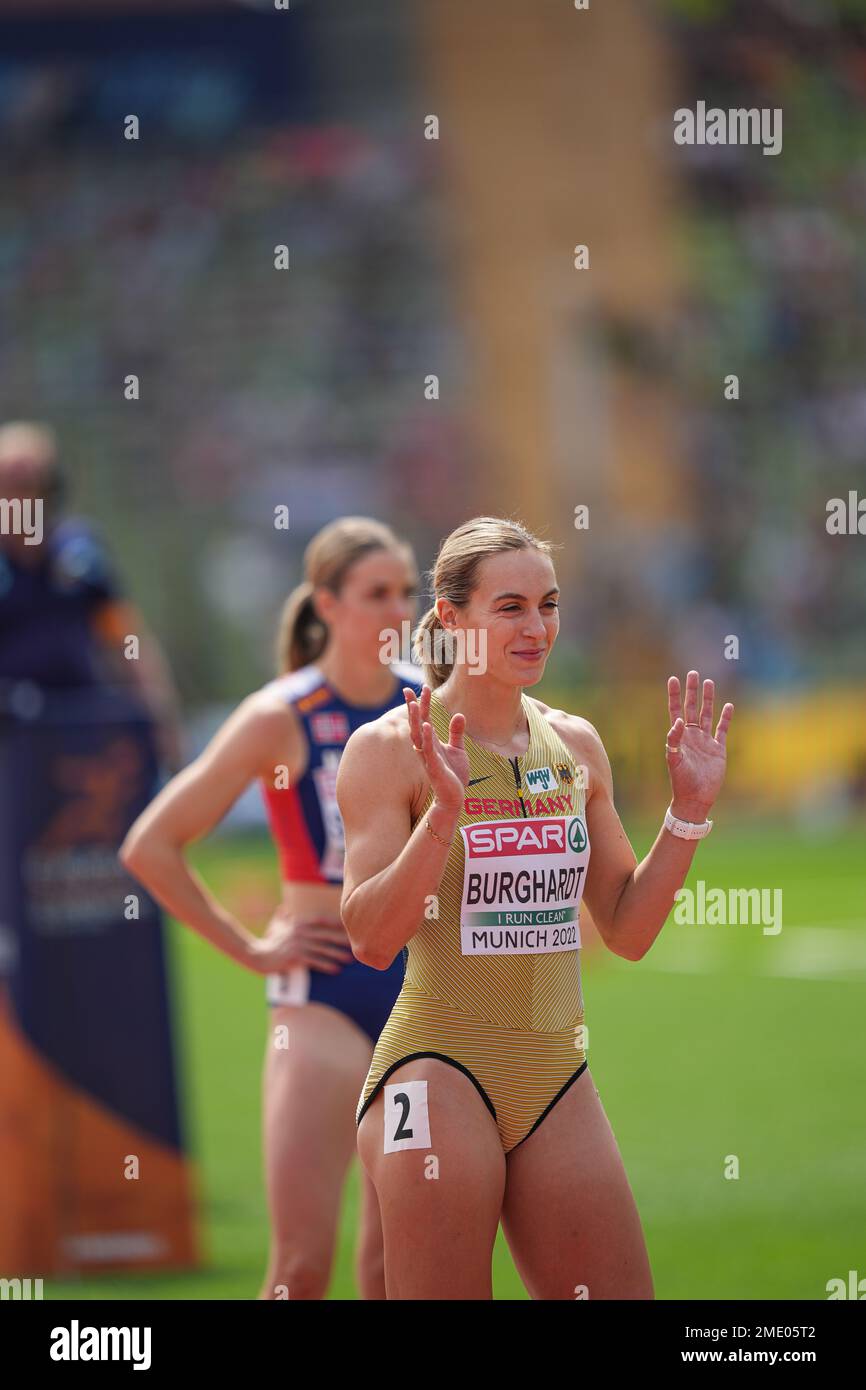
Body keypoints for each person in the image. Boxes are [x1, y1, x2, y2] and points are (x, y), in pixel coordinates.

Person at [337, 515, 734, 1300]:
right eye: (510, 607)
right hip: (437, 1067)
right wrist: (443, 815)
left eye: (548, 604)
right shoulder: (389, 750)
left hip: (555, 1069)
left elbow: (627, 928)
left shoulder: (575, 745)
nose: (537, 627)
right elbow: (371, 937)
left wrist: (687, 812)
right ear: (452, 618)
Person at [120, 517, 422, 1299]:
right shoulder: (279, 714)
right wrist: (249, 947)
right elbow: (151, 844)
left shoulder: (431, 702)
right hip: (321, 996)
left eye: (407, 593)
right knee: (299, 1272)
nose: (398, 611)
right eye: (376, 594)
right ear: (325, 602)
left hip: (423, 999)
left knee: (397, 1269)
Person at [0, 419, 181, 767]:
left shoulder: (80, 555)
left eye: (28, 485)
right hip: (9, 739)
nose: (18, 499)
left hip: (79, 728)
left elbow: (127, 642)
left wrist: (161, 717)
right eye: (9, 486)